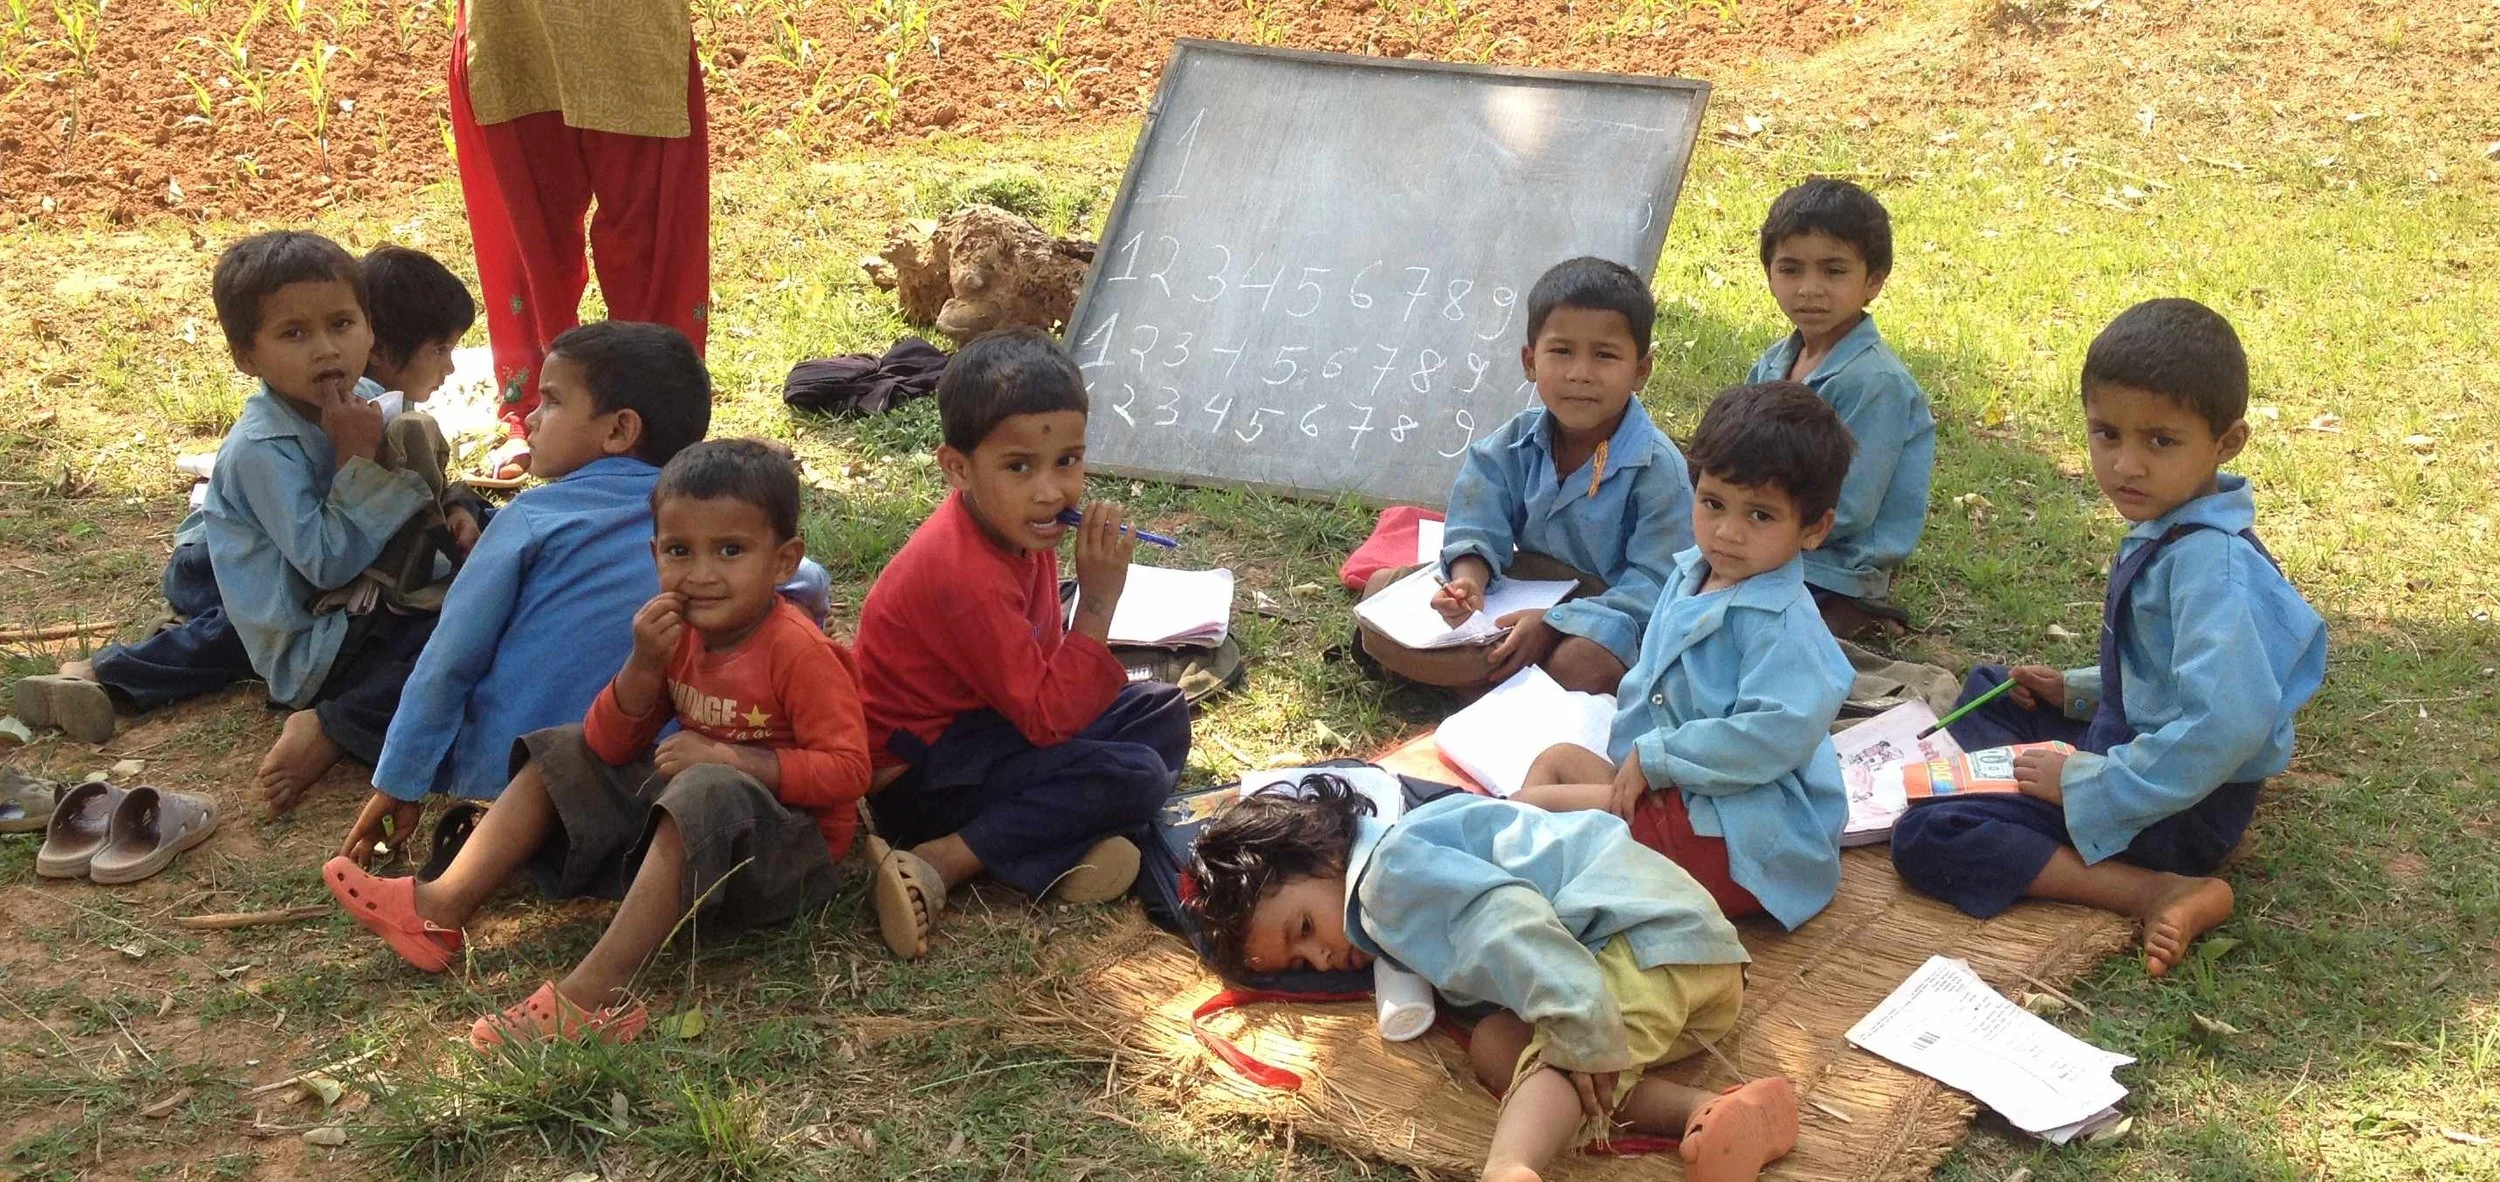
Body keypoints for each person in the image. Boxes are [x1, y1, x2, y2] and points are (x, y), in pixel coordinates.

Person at [324, 439, 871, 1048]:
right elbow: (606, 745)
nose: (702, 574)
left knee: (705, 785)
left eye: (732, 551)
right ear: (654, 553)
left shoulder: (797, 652)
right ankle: (439, 907)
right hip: (697, 831)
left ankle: (595, 995)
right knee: (565, 746)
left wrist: (733, 760)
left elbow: (849, 770)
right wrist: (641, 666)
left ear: (784, 562)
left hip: (789, 858)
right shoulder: (676, 635)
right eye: (679, 551)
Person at [1891, 299, 2325, 976]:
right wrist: (2077, 692)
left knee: (1931, 834)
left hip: (2180, 805)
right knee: (1998, 690)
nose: (2126, 465)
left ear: (2227, 441)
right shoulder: (2174, 525)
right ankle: (2010, 773)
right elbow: (2164, 669)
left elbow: (2224, 723)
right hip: (2142, 754)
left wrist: (2090, 786)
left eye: (2160, 441)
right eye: (2106, 434)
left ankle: (2155, 888)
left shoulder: (2215, 567)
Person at [14, 233, 442, 815]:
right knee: (443, 644)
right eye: (294, 334)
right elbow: (327, 564)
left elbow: (416, 486)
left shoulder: (367, 395)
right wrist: (354, 463)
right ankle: (328, 727)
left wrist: (458, 508)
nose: (326, 350)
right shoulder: (261, 450)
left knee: (481, 591)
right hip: (315, 639)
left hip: (344, 602)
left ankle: (107, 672)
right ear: (246, 356)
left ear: (370, 328)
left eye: (342, 324)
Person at [1191, 777, 1797, 1182]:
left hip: (1637, 940)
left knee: (1564, 1055)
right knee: (1501, 1049)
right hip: (1689, 971)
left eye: (1303, 928)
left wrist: (1576, 1018)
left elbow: (1507, 922)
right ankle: (1712, 1114)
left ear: (1324, 858)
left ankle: (1509, 1170)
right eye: (1301, 964)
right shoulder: (1395, 881)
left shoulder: (1387, 879)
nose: (1321, 959)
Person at [854, 328, 1191, 960]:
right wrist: (1096, 603)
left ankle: (1045, 852)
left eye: (1068, 460)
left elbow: (1042, 674)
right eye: (1019, 467)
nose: (1050, 491)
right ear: (958, 468)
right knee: (1138, 774)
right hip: (921, 779)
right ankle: (943, 859)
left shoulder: (1017, 526)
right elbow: (1044, 718)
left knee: (1161, 709)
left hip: (989, 726)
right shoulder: (964, 575)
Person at [337, 322, 712, 868]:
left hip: (514, 786)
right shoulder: (714, 531)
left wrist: (399, 782)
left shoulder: (530, 518)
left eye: (553, 401)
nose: (531, 418)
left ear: (619, 430)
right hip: (656, 790)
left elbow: (449, 659)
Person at [1514, 383, 1855, 931]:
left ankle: (1514, 877)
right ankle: (1521, 857)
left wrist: (1659, 756)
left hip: (1740, 830)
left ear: (1813, 528)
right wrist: (1640, 760)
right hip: (1674, 788)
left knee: (1531, 817)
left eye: (1760, 516)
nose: (1727, 532)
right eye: (1713, 503)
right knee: (1554, 766)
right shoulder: (1691, 572)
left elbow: (1774, 734)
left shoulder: (1784, 626)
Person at [1359, 257, 1693, 695]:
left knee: (1584, 664)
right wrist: (1468, 581)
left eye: (1605, 356)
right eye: (1561, 351)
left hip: (1602, 614)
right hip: (1521, 586)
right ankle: (1485, 682)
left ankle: (1465, 682)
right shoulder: (1514, 442)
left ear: (1640, 371)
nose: (1580, 374)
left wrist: (1555, 624)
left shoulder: (1656, 469)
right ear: (1530, 361)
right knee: (1381, 591)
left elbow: (1655, 586)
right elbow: (1479, 520)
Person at [449, 0, 710, 478]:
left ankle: (655, 418)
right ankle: (533, 408)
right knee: (527, 232)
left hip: (630, 23)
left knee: (649, 231)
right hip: (516, 21)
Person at [1746, 178, 1935, 642]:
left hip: (1834, 568)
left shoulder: (1876, 384)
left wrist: (1751, 529)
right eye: (1791, 269)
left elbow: (1848, 509)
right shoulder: (1775, 361)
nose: (1810, 289)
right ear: (1768, 272)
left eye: (1833, 271)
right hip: (1764, 535)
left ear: (1873, 281)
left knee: (1751, 629)